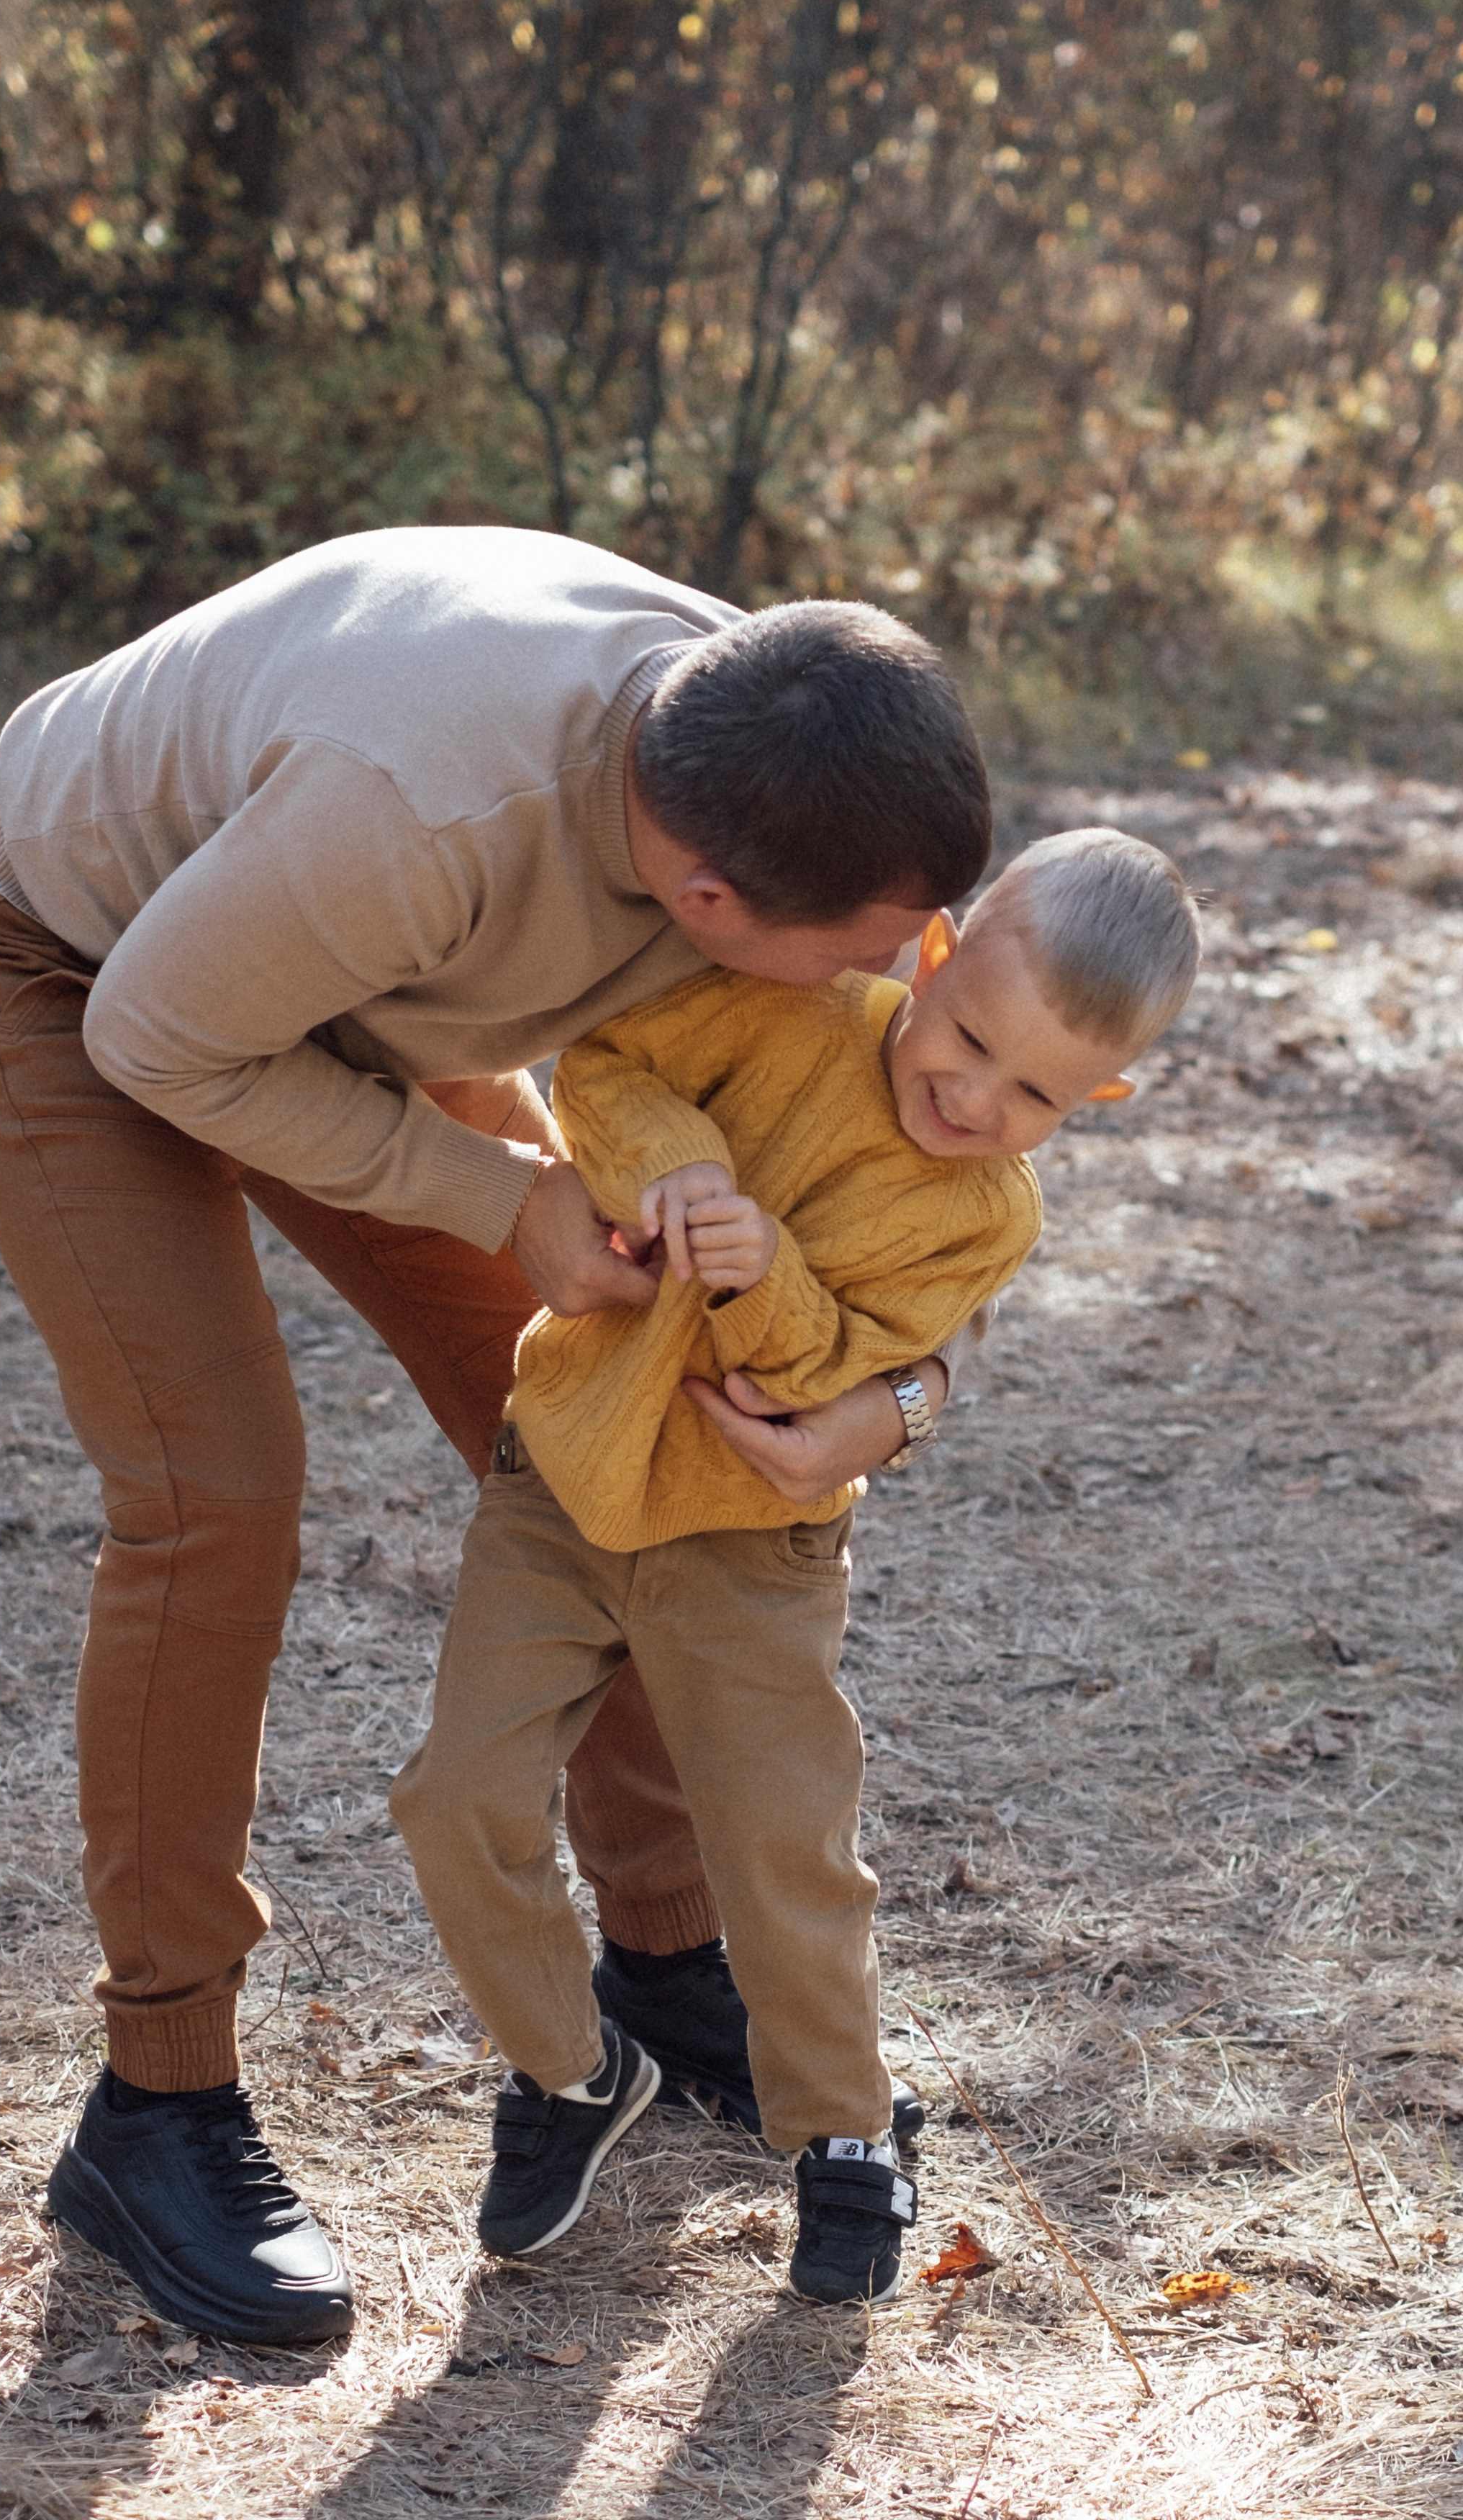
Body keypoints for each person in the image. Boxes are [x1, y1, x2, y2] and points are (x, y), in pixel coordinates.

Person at [0, 526, 996, 2345]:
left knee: (600, 1429)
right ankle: (152, 2102)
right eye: (875, 957)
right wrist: (496, 1192)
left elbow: (910, 1185)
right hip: (74, 967)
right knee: (216, 1494)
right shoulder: (427, 816)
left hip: (335, 972)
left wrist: (899, 1399)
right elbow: (159, 1033)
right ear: (704, 903)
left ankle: (659, 1964)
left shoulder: (763, 724)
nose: (907, 981)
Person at [392, 828, 1202, 2303]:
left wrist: (759, 1272)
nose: (968, 1097)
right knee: (455, 1797)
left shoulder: (983, 1214)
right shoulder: (792, 1011)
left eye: (1032, 1093)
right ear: (933, 958)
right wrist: (681, 1168)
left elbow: (837, 1371)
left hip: (747, 1545)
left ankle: (839, 2135)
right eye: (963, 1039)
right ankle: (574, 2072)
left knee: (781, 1851)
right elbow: (599, 1070)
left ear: (1101, 1099)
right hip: (559, 1485)